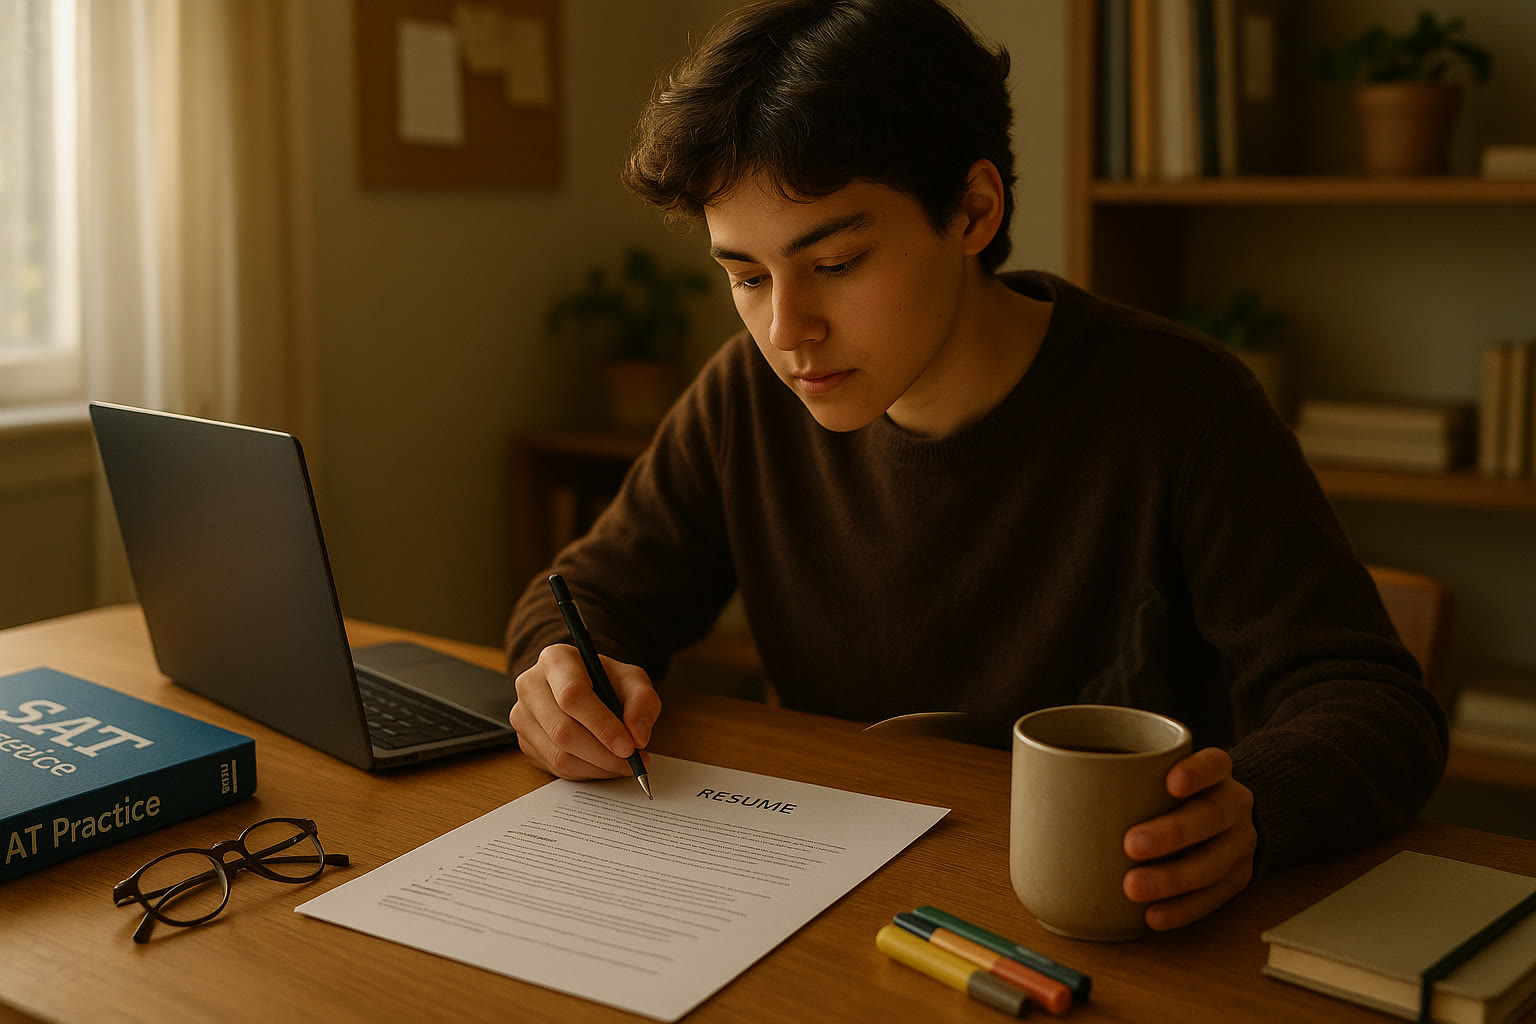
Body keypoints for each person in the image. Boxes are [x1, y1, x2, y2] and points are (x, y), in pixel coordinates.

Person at [504, 0, 1446, 931]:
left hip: (1108, 919)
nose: (786, 331)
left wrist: (1256, 809)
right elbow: (584, 595)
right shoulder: (746, 396)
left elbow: (1371, 706)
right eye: (746, 277)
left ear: (972, 208)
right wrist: (562, 676)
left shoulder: (1182, 408)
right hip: (834, 908)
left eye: (835, 261)